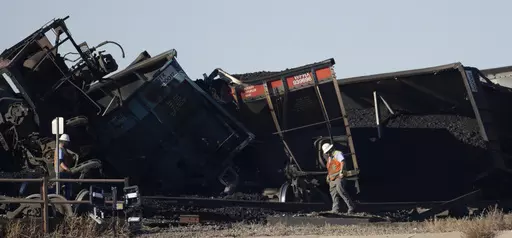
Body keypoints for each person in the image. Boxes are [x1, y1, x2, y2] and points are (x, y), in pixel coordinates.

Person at [322, 142, 356, 214]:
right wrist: (328, 175)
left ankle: (351, 207)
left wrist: (341, 172)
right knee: (333, 193)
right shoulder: (329, 158)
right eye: (326, 153)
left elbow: (342, 162)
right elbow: (330, 168)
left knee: (341, 190)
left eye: (328, 152)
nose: (327, 154)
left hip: (338, 176)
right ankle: (335, 209)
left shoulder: (337, 153)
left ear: (331, 149)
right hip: (332, 178)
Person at [54, 134, 77, 200]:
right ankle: (66, 200)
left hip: (62, 171)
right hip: (61, 171)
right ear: (64, 141)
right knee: (66, 186)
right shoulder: (60, 149)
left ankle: (66, 199)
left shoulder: (62, 149)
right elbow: (60, 162)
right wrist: (67, 169)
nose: (67, 143)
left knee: (65, 185)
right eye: (67, 142)